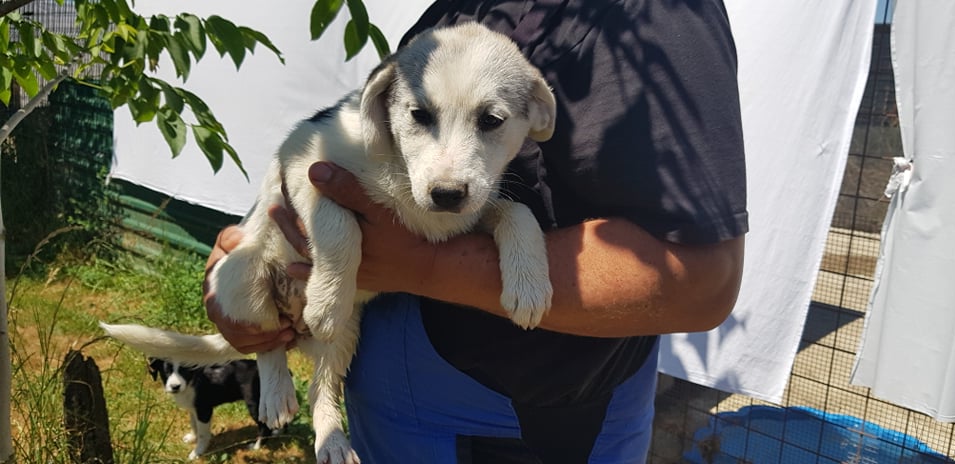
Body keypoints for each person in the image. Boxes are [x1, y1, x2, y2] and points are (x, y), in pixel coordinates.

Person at [204, 0, 747, 462]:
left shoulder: (654, 16)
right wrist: (250, 246)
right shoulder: (455, 13)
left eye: (489, 121)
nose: (448, 168)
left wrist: (422, 265)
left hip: (519, 428)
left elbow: (703, 282)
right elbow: (333, 155)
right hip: (382, 404)